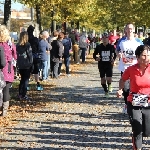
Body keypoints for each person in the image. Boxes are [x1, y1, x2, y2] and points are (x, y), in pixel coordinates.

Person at [117, 45, 150, 150]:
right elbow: (122, 80)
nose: (147, 58)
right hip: (134, 102)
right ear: (138, 57)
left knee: (148, 130)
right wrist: (120, 90)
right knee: (137, 128)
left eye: (148, 55)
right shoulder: (131, 69)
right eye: (144, 55)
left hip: (148, 103)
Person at [117, 23, 143, 114]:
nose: (130, 30)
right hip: (124, 67)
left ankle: (136, 105)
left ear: (134, 30)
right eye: (128, 28)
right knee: (126, 88)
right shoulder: (121, 41)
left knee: (136, 87)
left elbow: (143, 52)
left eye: (131, 28)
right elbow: (117, 51)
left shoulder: (138, 41)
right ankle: (126, 104)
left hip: (136, 67)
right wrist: (119, 55)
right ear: (125, 30)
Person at [0, 25, 17, 116]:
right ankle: (4, 110)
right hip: (8, 69)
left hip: (2, 69)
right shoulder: (9, 45)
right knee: (6, 90)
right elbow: (15, 56)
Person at [93, 32, 116, 97]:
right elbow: (94, 55)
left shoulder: (111, 47)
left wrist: (113, 59)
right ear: (102, 39)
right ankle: (106, 91)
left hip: (109, 64)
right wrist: (96, 58)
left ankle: (109, 86)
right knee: (103, 80)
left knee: (109, 79)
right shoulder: (99, 47)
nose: (105, 39)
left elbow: (115, 54)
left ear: (108, 39)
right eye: (103, 38)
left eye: (106, 38)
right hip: (101, 64)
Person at [16, 31, 33, 100]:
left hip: (20, 64)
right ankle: (24, 94)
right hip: (27, 64)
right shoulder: (27, 45)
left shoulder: (17, 45)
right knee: (26, 80)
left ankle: (20, 93)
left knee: (22, 79)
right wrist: (31, 63)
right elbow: (30, 55)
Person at [27, 25, 42, 90]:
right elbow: (39, 48)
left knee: (28, 70)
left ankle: (27, 85)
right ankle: (38, 85)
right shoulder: (35, 39)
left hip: (27, 56)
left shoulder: (26, 39)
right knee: (36, 70)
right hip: (35, 56)